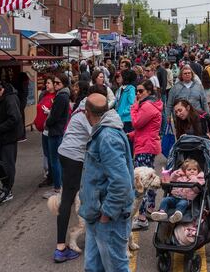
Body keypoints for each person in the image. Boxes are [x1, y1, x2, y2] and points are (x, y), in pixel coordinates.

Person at [78, 93, 134, 272]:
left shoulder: (108, 137)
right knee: (93, 267)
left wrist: (106, 215)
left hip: (108, 219)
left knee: (115, 268)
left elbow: (121, 183)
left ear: (87, 113)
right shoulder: (102, 131)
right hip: (95, 214)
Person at [53, 84, 109, 263]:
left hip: (67, 154)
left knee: (70, 196)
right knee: (69, 198)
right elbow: (96, 132)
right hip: (73, 157)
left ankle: (70, 238)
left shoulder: (84, 105)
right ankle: (61, 247)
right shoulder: (87, 111)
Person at [129, 80, 163, 231]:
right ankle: (150, 209)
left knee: (141, 183)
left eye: (141, 91)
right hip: (147, 144)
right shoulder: (151, 105)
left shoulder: (147, 106)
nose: (138, 94)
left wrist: (134, 106)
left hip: (145, 146)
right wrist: (131, 135)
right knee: (149, 179)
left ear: (149, 92)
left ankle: (142, 218)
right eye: (137, 91)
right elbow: (144, 127)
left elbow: (136, 122)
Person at [0, 78, 22, 201]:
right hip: (0, 138)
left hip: (9, 137)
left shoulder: (10, 99)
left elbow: (14, 118)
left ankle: (8, 190)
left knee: (8, 164)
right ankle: (4, 186)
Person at [151, 159, 205, 223]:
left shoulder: (199, 179)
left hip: (186, 199)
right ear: (184, 171)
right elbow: (171, 180)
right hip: (174, 197)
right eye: (189, 170)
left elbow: (197, 190)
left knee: (182, 204)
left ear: (198, 171)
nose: (192, 171)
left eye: (194, 169)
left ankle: (177, 215)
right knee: (165, 200)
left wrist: (193, 179)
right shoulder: (180, 177)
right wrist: (175, 174)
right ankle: (162, 212)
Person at [44, 73, 71, 199]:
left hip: (55, 131)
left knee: (54, 161)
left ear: (63, 84)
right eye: (54, 82)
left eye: (58, 83)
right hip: (58, 130)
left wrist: (47, 122)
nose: (55, 85)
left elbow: (54, 116)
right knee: (56, 160)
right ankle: (59, 187)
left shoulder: (61, 97)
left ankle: (57, 188)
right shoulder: (62, 96)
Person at [35, 77, 56, 188]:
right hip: (44, 131)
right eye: (46, 83)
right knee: (47, 154)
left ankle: (53, 178)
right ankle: (50, 176)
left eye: (49, 82)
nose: (46, 85)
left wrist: (49, 112)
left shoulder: (56, 97)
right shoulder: (44, 94)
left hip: (50, 130)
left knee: (52, 156)